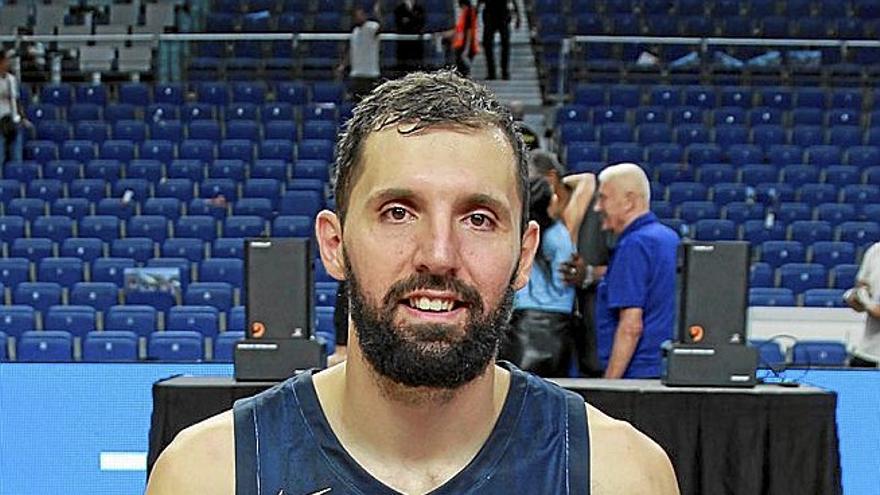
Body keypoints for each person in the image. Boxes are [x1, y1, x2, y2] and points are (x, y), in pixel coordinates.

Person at [145, 71, 679, 495]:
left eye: (478, 219)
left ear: (524, 255)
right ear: (335, 244)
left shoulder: (621, 476)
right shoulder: (209, 476)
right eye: (398, 212)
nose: (439, 255)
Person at [593, 163, 679, 379]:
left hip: (636, 374)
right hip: (666, 370)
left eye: (603, 198)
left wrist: (610, 385)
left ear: (629, 201)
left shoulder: (634, 245)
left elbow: (631, 326)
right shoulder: (670, 238)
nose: (597, 207)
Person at [499, 175, 577, 376]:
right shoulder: (559, 234)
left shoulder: (519, 235)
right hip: (558, 325)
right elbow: (563, 280)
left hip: (521, 322)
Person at [845, 241, 880, 367]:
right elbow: (862, 287)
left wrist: (866, 301)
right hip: (867, 352)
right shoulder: (875, 250)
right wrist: (856, 298)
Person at [338, 2, 382, 101]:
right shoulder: (355, 32)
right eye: (357, 15)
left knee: (372, 102)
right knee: (357, 102)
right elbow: (351, 51)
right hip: (357, 74)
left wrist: (378, 14)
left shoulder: (371, 27)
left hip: (371, 73)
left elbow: (380, 29)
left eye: (361, 14)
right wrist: (343, 65)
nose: (360, 17)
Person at [0, 50, 29, 167]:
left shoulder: (11, 79)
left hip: (12, 120)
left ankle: (18, 173)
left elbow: (16, 100)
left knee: (16, 154)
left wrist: (22, 117)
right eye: (5, 61)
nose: (7, 63)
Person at [478, 0, 519, 80]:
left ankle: (504, 71)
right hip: (490, 13)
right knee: (487, 43)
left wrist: (518, 16)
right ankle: (491, 72)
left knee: (505, 43)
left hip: (503, 13)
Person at [393, 0, 426, 72]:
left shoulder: (420, 8)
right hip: (403, 42)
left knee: (417, 66)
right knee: (404, 66)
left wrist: (410, 21)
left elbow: (421, 22)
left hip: (416, 42)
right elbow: (400, 24)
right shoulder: (399, 8)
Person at [449, 0, 479, 76]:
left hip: (466, 46)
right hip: (462, 44)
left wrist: (466, 49)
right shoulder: (466, 11)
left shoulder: (468, 12)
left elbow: (469, 31)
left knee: (463, 67)